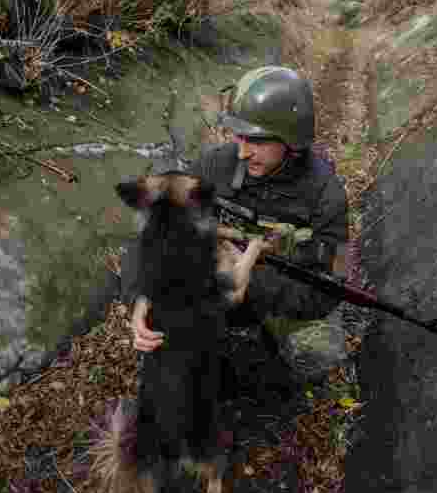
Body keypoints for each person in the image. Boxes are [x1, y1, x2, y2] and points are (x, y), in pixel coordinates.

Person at [121, 65, 352, 391]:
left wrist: (252, 285)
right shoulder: (216, 165)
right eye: (238, 136)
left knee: (314, 359)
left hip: (282, 298)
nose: (242, 151)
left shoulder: (328, 197)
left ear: (292, 140)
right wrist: (141, 295)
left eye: (255, 140)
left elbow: (335, 282)